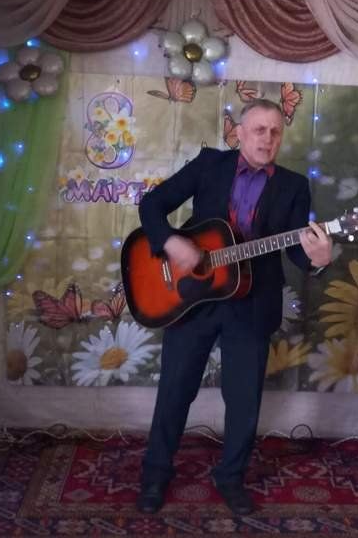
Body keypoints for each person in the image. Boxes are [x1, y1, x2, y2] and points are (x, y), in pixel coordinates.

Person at [136, 98, 332, 515]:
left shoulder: (294, 186)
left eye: (275, 131)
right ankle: (155, 474)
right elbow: (151, 206)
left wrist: (318, 260)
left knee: (244, 400)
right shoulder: (209, 165)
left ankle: (230, 477)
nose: (267, 138)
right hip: (192, 299)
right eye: (259, 129)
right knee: (175, 390)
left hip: (252, 304)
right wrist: (170, 241)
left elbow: (297, 252)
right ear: (239, 133)